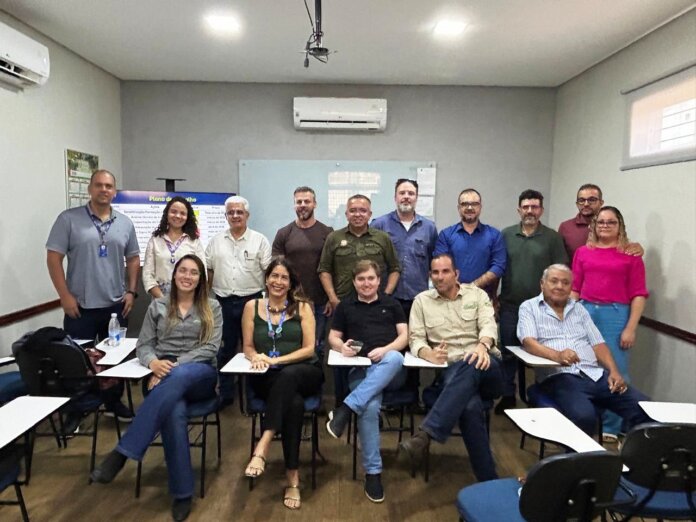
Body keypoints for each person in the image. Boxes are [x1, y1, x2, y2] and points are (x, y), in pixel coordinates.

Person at [90, 254, 222, 522]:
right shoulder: (158, 306)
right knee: (173, 412)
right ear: (174, 274)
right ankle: (182, 493)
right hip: (160, 372)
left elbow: (211, 347)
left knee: (180, 377)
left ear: (201, 279)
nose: (187, 276)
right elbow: (144, 345)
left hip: (199, 373)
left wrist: (171, 368)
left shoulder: (212, 306)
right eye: (182, 270)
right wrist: (153, 363)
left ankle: (122, 452)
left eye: (193, 272)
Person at [46, 169, 139, 420]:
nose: (104, 190)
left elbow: (133, 258)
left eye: (108, 186)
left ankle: (113, 403)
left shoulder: (125, 223)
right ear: (90, 189)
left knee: (114, 361)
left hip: (116, 306)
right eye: (99, 185)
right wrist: (64, 296)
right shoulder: (68, 219)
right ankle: (77, 410)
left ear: (115, 191)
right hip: (79, 306)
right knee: (77, 361)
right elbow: (53, 258)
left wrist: (131, 291)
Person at [400, 254, 502, 482]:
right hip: (452, 371)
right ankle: (489, 480)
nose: (440, 277)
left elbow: (488, 324)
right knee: (470, 406)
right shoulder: (422, 301)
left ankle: (428, 431)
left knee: (471, 362)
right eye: (435, 272)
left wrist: (482, 346)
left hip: (488, 367)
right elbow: (416, 339)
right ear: (430, 275)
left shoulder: (477, 295)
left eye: (445, 271)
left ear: (456, 274)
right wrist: (428, 353)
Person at [517, 264, 651, 438]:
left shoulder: (579, 309)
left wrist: (614, 371)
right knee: (584, 417)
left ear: (571, 287)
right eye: (554, 281)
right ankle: (577, 456)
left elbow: (598, 344)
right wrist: (558, 356)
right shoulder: (529, 307)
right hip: (559, 376)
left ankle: (633, 453)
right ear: (542, 284)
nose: (559, 286)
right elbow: (529, 342)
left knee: (646, 408)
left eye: (565, 283)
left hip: (595, 374)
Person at [241, 257, 323, 510]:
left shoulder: (303, 307)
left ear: (291, 283)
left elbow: (309, 349)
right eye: (274, 276)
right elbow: (248, 346)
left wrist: (276, 360)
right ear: (266, 279)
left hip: (305, 372)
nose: (278, 281)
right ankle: (292, 478)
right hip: (268, 378)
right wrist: (255, 357)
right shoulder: (252, 307)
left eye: (284, 277)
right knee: (294, 404)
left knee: (289, 377)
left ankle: (264, 442)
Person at [325, 260, 408, 503]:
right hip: (360, 369)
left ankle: (346, 408)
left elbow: (405, 336)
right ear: (354, 282)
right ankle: (373, 473)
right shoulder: (345, 306)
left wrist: (386, 349)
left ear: (379, 280)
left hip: (391, 370)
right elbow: (333, 337)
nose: (366, 283)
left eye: (371, 278)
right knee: (369, 407)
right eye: (361, 279)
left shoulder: (392, 304)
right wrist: (342, 347)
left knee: (395, 357)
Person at [571, 207, 649, 441]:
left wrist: (631, 328)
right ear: (594, 225)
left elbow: (638, 294)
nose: (605, 226)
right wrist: (568, 317)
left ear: (620, 226)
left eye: (611, 222)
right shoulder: (583, 252)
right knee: (584, 367)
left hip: (615, 315)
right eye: (601, 222)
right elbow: (575, 288)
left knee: (616, 369)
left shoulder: (631, 255)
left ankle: (612, 427)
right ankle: (588, 419)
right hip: (585, 310)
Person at [318, 194, 401, 404]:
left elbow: (395, 268)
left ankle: (363, 400)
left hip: (374, 307)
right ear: (346, 214)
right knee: (340, 356)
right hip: (343, 307)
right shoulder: (334, 238)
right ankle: (341, 403)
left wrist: (386, 295)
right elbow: (324, 269)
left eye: (362, 210)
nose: (358, 214)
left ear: (370, 214)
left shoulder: (382, 238)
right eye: (353, 210)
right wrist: (333, 298)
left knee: (372, 354)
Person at [496, 189, 568, 413]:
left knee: (542, 353)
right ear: (519, 209)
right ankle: (508, 395)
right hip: (510, 305)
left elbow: (560, 272)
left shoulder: (552, 238)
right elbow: (498, 267)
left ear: (541, 210)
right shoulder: (506, 235)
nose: (530, 211)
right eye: (526, 207)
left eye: (534, 207)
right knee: (507, 352)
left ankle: (541, 394)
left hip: (542, 308)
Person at [205, 195, 272, 405]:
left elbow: (268, 273)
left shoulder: (260, 240)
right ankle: (225, 394)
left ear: (247, 215)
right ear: (226, 216)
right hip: (222, 302)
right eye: (231, 212)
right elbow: (209, 271)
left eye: (239, 212)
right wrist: (205, 300)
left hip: (252, 302)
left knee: (254, 349)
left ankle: (254, 395)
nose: (235, 216)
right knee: (225, 349)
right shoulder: (215, 241)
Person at [272, 187, 333, 359]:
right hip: (291, 302)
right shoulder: (284, 233)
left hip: (320, 302)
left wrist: (331, 298)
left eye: (307, 201)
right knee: (292, 346)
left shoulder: (327, 233)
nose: (303, 205)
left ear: (315, 204)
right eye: (299, 201)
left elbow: (333, 268)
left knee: (317, 348)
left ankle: (316, 378)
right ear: (294, 205)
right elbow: (277, 270)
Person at [371, 178, 437, 319]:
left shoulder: (429, 227)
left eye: (411, 193)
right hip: (387, 296)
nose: (406, 197)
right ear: (395, 197)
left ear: (416, 198)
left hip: (418, 297)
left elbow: (433, 263)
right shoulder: (379, 225)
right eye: (402, 193)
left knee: (416, 333)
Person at [434, 188, 506, 299]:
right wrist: (457, 288)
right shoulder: (446, 235)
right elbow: (441, 265)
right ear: (459, 208)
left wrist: (472, 287)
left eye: (474, 204)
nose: (469, 208)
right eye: (464, 204)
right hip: (452, 297)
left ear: (480, 207)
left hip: (484, 298)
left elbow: (498, 266)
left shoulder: (494, 235)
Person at [558, 184, 643, 261]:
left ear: (601, 203)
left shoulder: (611, 225)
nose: (586, 204)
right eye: (581, 200)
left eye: (592, 200)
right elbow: (559, 258)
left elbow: (622, 245)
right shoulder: (565, 227)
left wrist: (636, 248)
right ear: (577, 204)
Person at [142, 196, 206, 298]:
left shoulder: (194, 241)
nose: (178, 216)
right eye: (173, 211)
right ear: (167, 214)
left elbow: (203, 273)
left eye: (182, 213)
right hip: (160, 296)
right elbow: (147, 274)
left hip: (188, 296)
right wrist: (163, 300)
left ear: (187, 217)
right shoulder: (155, 240)